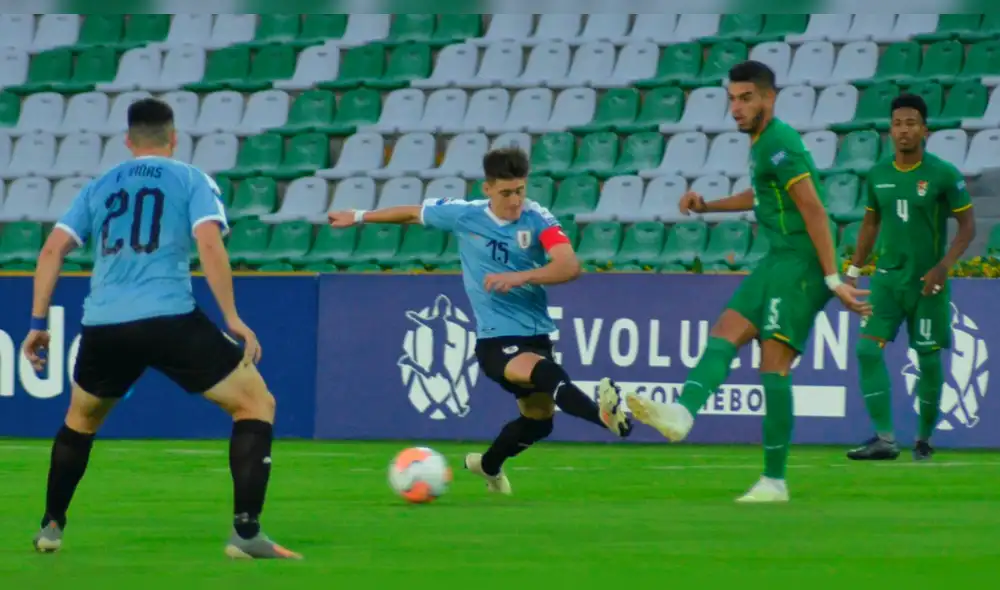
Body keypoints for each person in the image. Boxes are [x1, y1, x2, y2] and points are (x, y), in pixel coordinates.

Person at [22, 98, 300, 559]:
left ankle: (52, 525)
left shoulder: (99, 187)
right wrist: (232, 317)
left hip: (105, 324)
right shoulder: (190, 178)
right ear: (173, 138)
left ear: (128, 141)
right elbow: (208, 243)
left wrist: (37, 322)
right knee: (256, 403)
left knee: (81, 420)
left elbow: (52, 251)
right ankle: (246, 533)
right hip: (169, 317)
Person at [625, 61, 872, 503]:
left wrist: (833, 278)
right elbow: (760, 195)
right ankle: (683, 413)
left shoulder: (780, 142)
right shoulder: (762, 145)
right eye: (732, 99)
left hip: (801, 264)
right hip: (776, 260)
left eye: (746, 98)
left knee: (773, 365)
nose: (736, 108)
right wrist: (708, 206)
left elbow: (814, 209)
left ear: (768, 98)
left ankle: (774, 480)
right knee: (725, 331)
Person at [328, 147, 633, 495]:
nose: (515, 200)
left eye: (520, 190)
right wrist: (359, 216)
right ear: (487, 189)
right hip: (496, 340)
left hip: (537, 334)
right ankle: (603, 417)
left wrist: (521, 277)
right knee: (548, 374)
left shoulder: (538, 219)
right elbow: (412, 213)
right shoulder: (465, 215)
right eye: (506, 193)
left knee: (539, 422)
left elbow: (569, 266)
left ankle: (487, 466)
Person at [845, 93, 975, 462]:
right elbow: (871, 223)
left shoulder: (943, 174)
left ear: (924, 130)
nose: (904, 130)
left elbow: (967, 226)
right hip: (887, 281)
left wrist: (943, 267)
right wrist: (853, 270)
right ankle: (885, 439)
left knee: (928, 360)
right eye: (898, 124)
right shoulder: (878, 174)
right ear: (890, 130)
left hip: (927, 285)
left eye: (911, 123)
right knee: (866, 350)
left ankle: (923, 440)